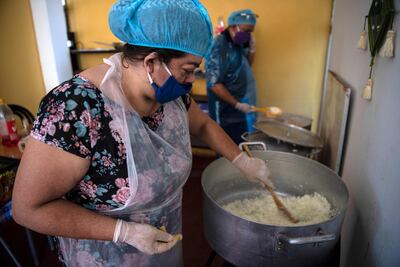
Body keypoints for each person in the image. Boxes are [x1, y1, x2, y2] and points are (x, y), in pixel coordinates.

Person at [12, 1, 273, 266]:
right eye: (187, 70)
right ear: (151, 62)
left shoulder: (171, 96)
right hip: (105, 255)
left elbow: (203, 125)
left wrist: (242, 161)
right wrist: (124, 232)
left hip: (163, 243)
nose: (191, 80)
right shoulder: (76, 108)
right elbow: (28, 209)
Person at [206, 9, 258, 145]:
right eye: (247, 30)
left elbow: (245, 67)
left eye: (251, 31)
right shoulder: (220, 47)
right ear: (234, 27)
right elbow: (214, 85)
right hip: (226, 111)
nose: (249, 35)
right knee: (226, 148)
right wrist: (238, 105)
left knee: (241, 145)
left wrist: (252, 50)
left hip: (241, 104)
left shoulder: (238, 43)